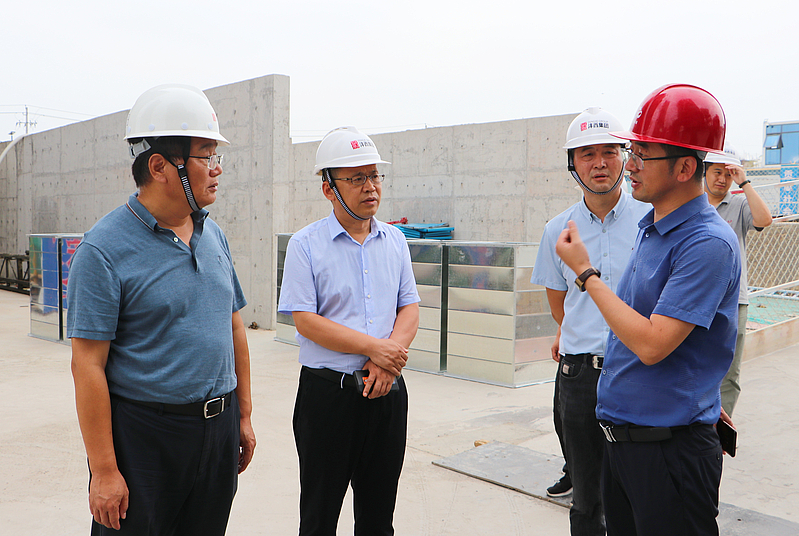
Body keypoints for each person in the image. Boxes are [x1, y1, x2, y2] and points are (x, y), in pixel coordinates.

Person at [68, 84, 256, 535]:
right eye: (206, 156)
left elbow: (233, 327)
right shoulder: (103, 250)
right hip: (146, 438)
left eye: (216, 156)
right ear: (159, 167)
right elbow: (87, 364)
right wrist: (104, 470)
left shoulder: (214, 235)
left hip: (218, 429)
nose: (217, 169)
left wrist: (243, 416)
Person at [555, 84, 740, 536]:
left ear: (684, 167)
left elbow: (653, 344)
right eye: (632, 151)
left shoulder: (706, 243)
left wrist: (586, 274)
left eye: (643, 154)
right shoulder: (653, 227)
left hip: (669, 451)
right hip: (626, 443)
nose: (630, 165)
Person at [278, 126, 420, 535]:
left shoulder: (395, 241)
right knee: (319, 518)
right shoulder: (306, 245)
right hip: (329, 398)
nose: (370, 187)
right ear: (329, 189)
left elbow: (409, 307)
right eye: (356, 178)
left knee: (378, 520)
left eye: (374, 175)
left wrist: (387, 362)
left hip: (387, 394)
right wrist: (376, 348)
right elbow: (305, 320)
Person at [532, 108, 649, 535]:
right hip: (580, 377)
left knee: (639, 493)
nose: (599, 163)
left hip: (639, 369)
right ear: (573, 163)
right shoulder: (557, 231)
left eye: (608, 152)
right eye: (587, 154)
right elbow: (558, 305)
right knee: (586, 499)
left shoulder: (651, 220)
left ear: (625, 157)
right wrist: (577, 334)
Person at [704, 148, 773, 415]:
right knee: (692, 363)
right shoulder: (693, 204)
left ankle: (721, 428)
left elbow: (764, 220)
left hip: (733, 301)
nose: (722, 179)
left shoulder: (739, 204)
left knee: (729, 370)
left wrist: (744, 182)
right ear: (704, 173)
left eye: (728, 174)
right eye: (716, 172)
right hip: (696, 297)